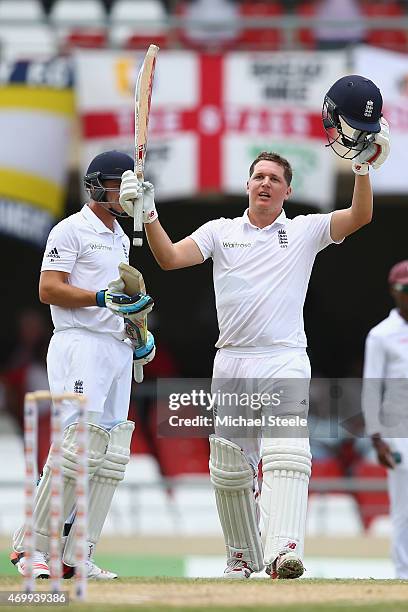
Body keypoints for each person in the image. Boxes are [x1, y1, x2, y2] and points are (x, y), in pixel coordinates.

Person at [119, 75, 390, 579]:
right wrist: (149, 212)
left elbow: (360, 216)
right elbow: (170, 258)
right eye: (258, 176)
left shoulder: (304, 231)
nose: (265, 183)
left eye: (275, 179)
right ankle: (242, 558)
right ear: (247, 184)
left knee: (287, 453)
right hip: (233, 359)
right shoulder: (220, 233)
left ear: (287, 191)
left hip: (284, 355)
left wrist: (361, 168)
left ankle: (284, 549)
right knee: (229, 468)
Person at [10, 150, 155, 581]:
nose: (124, 193)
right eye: (117, 184)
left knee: (109, 454)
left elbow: (122, 298)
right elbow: (48, 288)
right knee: (76, 446)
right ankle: (31, 548)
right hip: (79, 344)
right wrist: (99, 299)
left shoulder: (120, 237)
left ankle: (76, 554)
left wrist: (138, 334)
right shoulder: (70, 229)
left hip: (114, 346)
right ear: (96, 186)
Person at [362, 260, 408, 579]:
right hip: (399, 431)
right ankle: (403, 574)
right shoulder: (382, 335)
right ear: (394, 290)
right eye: (405, 289)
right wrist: (377, 439)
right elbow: (370, 389)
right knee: (404, 509)